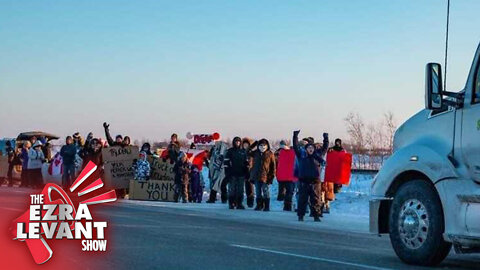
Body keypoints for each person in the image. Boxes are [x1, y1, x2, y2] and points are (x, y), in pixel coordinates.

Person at [293, 130, 329, 222]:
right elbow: (296, 147)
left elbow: (325, 148)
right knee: (302, 200)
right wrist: (295, 136)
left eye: (311, 148)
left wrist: (325, 138)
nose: (310, 149)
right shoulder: (301, 156)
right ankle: (301, 215)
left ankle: (316, 215)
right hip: (304, 182)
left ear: (314, 149)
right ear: (306, 149)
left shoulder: (318, 156)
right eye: (308, 148)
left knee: (316, 200)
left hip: (315, 182)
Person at [249, 139, 276, 211]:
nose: (262, 147)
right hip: (256, 176)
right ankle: (259, 205)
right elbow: (247, 151)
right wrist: (254, 144)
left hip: (265, 176)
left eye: (264, 145)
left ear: (267, 146)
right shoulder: (255, 153)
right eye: (261, 145)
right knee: (258, 192)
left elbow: (273, 167)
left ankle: (266, 206)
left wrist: (271, 177)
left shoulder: (270, 154)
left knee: (266, 191)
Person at [225, 137, 249, 209]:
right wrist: (227, 172)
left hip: (241, 173)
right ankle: (231, 203)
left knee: (240, 190)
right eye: (236, 142)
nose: (237, 143)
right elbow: (226, 162)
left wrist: (247, 171)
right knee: (232, 189)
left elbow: (246, 162)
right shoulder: (230, 151)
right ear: (234, 142)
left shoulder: (243, 151)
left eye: (239, 142)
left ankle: (239, 203)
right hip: (232, 173)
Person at [275, 140, 297, 211]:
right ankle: (287, 205)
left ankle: (287, 205)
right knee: (289, 192)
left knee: (288, 192)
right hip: (287, 176)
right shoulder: (292, 152)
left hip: (286, 176)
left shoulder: (279, 153)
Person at [242, 137, 255, 207]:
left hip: (249, 172)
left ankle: (250, 202)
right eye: (244, 144)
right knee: (241, 188)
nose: (245, 146)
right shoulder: (241, 151)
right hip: (242, 171)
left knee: (249, 188)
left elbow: (253, 161)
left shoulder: (251, 152)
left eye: (247, 144)